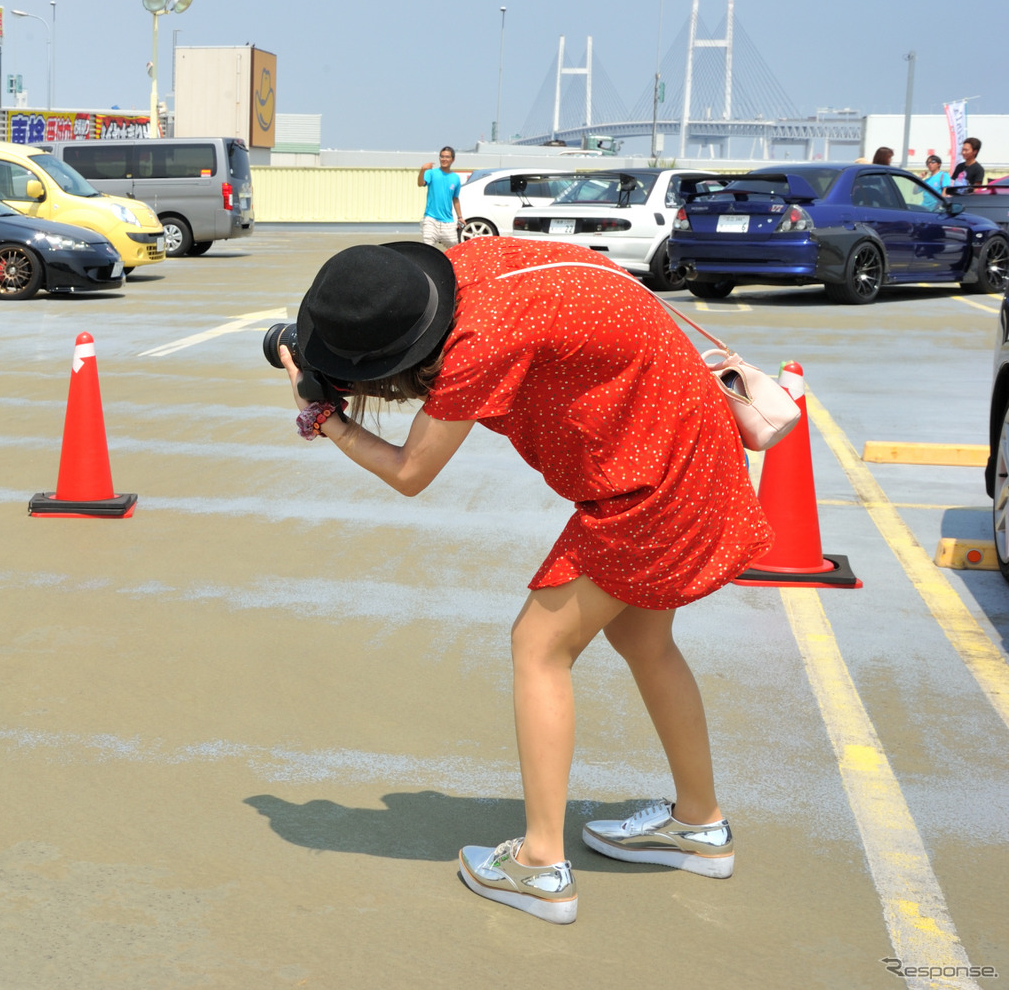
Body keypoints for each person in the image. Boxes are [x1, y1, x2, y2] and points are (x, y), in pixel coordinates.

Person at [275, 237, 769, 925]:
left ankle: (539, 863)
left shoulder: (480, 342)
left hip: (650, 482)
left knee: (538, 645)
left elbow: (410, 471)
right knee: (643, 640)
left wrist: (321, 414)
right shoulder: (475, 268)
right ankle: (698, 823)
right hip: (683, 444)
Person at [417, 146, 464, 249]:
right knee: (427, 248)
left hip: (448, 221)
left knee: (454, 248)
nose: (444, 159)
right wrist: (423, 170)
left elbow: (455, 199)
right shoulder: (431, 173)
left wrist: (460, 217)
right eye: (442, 156)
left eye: (447, 157)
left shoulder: (455, 178)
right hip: (431, 218)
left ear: (453, 159)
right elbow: (420, 183)